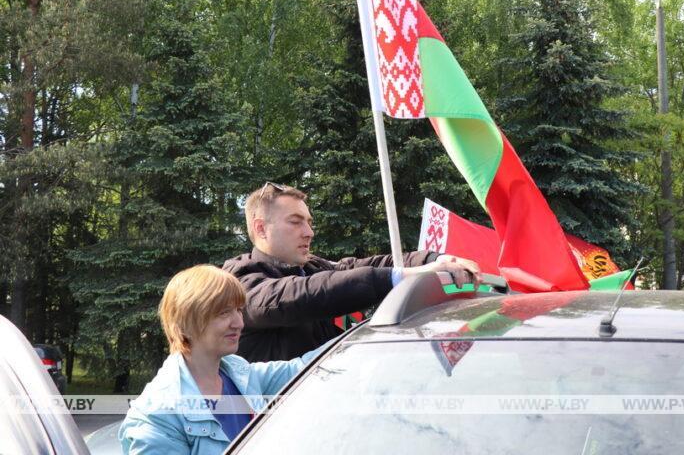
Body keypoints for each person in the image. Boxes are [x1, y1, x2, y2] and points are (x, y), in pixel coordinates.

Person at [223, 182, 479, 362]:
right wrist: (405, 276)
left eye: (309, 222)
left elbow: (373, 265)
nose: (309, 232)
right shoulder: (238, 282)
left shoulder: (312, 268)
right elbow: (306, 293)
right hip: (274, 424)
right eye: (295, 221)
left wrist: (436, 259)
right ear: (261, 229)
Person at [120, 265, 325, 455]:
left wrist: (355, 337)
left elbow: (308, 367)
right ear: (184, 324)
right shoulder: (157, 415)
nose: (239, 323)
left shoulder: (241, 375)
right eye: (224, 313)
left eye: (238, 310)